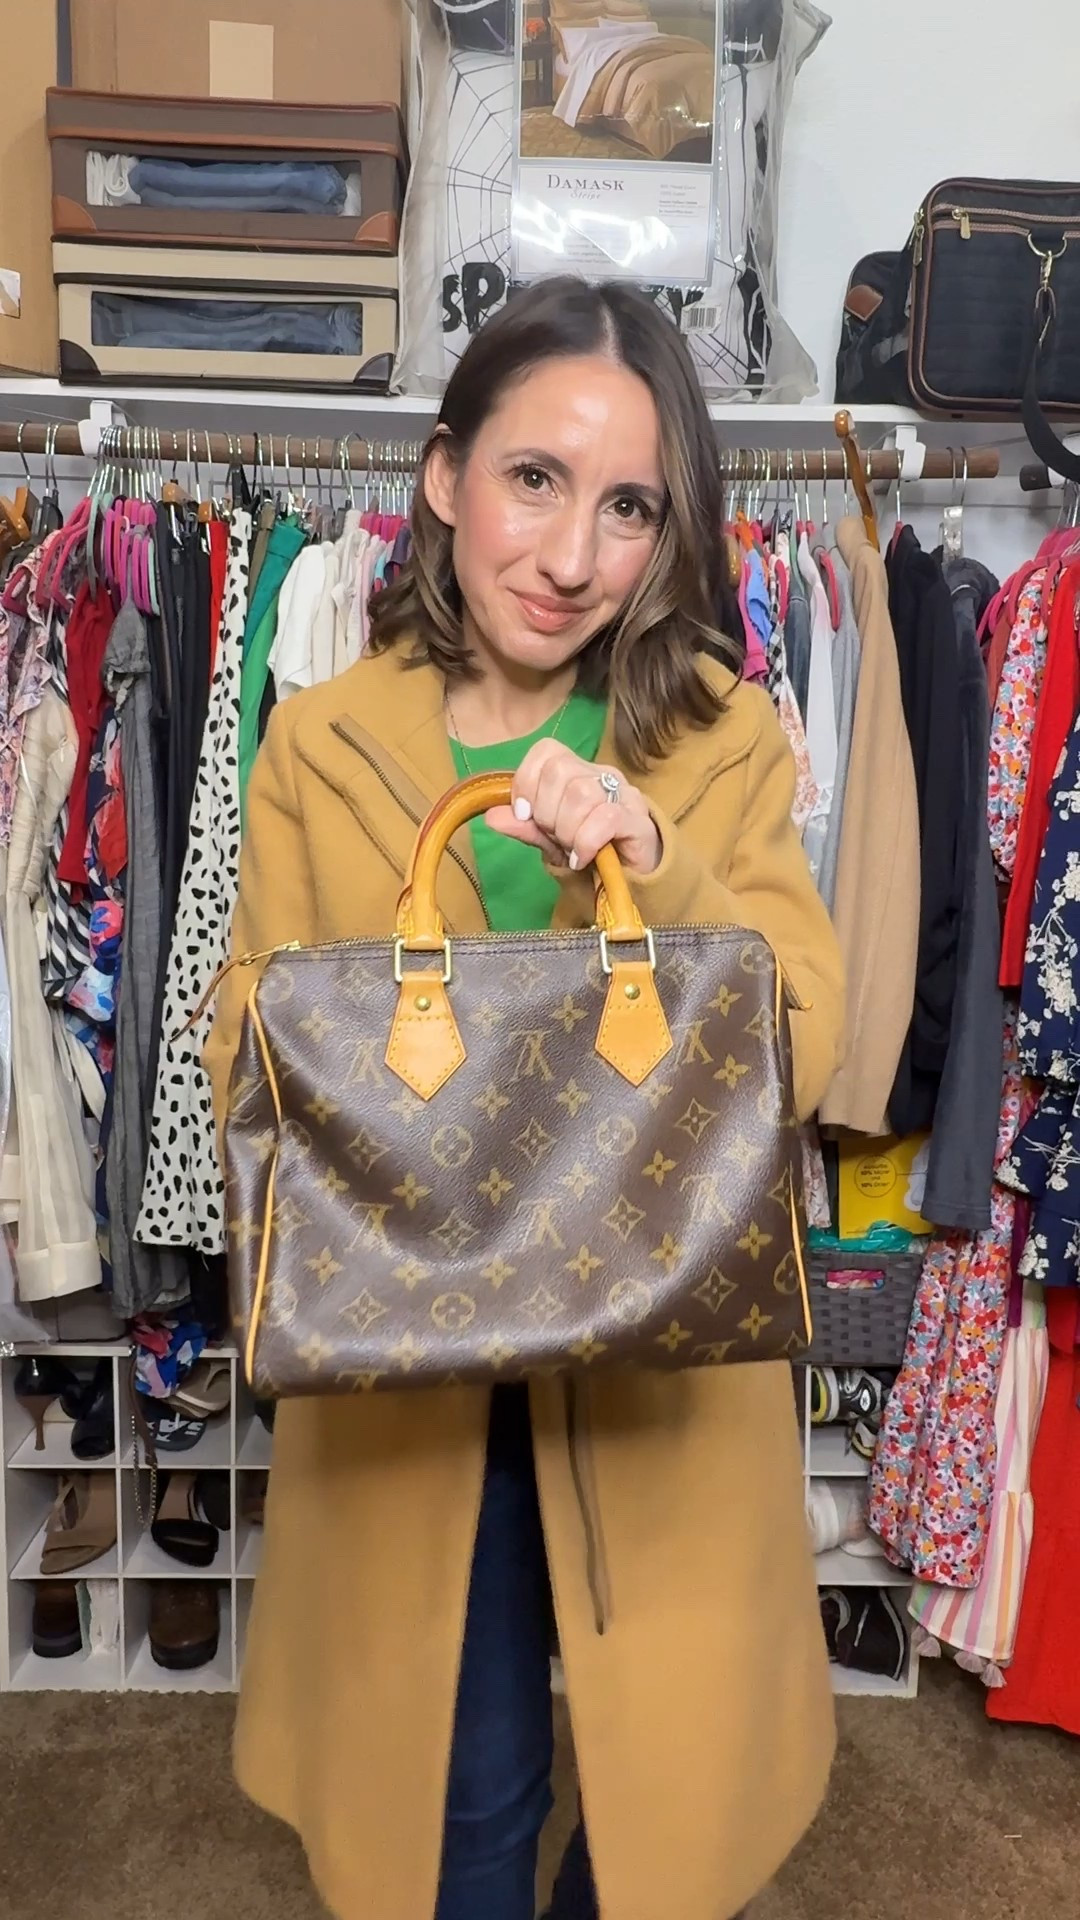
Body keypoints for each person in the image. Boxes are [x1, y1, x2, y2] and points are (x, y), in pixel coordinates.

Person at [205, 279, 845, 1920]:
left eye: (629, 507)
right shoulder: (323, 745)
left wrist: (657, 859)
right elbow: (237, 1055)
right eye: (535, 480)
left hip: (660, 1376)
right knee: (456, 1822)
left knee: (657, 1832)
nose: (572, 557)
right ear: (444, 475)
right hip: (412, 1400)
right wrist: (393, 1030)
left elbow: (808, 1043)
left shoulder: (721, 739)